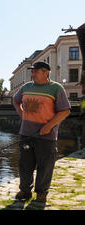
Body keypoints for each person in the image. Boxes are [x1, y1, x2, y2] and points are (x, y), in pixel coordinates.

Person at [12, 62, 71, 203]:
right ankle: (25, 191)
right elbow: (15, 100)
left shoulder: (56, 88)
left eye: (36, 72)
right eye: (32, 72)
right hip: (26, 134)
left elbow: (65, 111)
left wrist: (49, 126)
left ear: (46, 73)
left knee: (45, 166)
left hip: (46, 136)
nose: (33, 75)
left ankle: (41, 193)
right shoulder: (26, 87)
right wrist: (22, 114)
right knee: (25, 165)